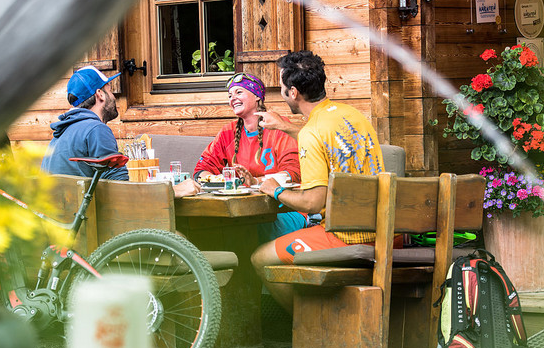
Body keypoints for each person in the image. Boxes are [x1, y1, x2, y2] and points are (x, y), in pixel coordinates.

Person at [251, 51, 385, 312]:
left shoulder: (312, 133)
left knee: (260, 257)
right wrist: (284, 126)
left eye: (280, 87)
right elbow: (327, 143)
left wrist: (274, 189)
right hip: (385, 231)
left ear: (293, 93)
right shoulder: (353, 115)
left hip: (347, 237)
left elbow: (313, 203)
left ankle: (307, 329)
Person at [42, 65, 200, 197]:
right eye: (110, 91)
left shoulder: (62, 132)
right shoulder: (96, 129)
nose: (114, 97)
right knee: (177, 234)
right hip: (89, 229)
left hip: (64, 226)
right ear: (100, 94)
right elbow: (122, 192)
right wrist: (174, 190)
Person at [193, 71, 307, 240]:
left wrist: (256, 182)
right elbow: (202, 170)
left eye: (239, 92)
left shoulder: (278, 126)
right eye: (230, 95)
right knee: (205, 225)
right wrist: (217, 180)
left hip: (285, 210)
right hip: (242, 213)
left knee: (242, 231)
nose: (233, 98)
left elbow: (293, 174)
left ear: (257, 97)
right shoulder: (227, 133)